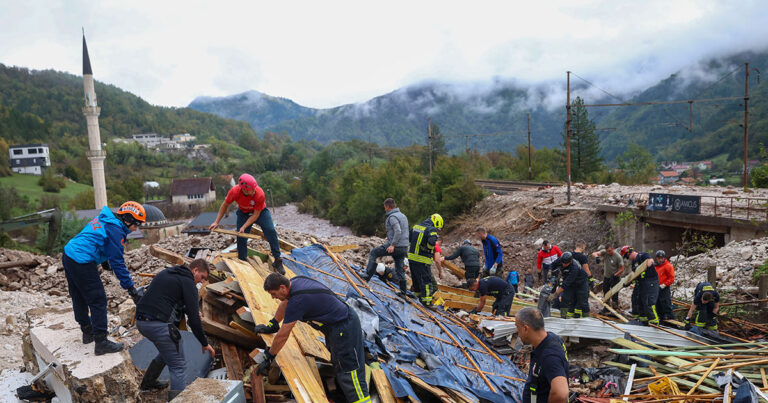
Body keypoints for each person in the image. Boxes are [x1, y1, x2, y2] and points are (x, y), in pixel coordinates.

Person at [253, 274, 370, 403]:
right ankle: (343, 397)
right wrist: (273, 324)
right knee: (338, 362)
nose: (273, 297)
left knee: (350, 371)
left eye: (274, 293)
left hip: (344, 327)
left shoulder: (298, 300)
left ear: (282, 287)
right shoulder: (294, 282)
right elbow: (284, 304)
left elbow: (283, 334)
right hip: (335, 326)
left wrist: (269, 356)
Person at [62, 201, 146, 355]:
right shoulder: (116, 230)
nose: (137, 228)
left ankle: (87, 331)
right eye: (137, 224)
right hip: (82, 260)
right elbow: (118, 262)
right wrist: (132, 289)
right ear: (127, 219)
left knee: (78, 295)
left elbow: (98, 240)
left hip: (69, 254)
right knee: (98, 299)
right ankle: (101, 342)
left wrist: (105, 261)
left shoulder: (107, 220)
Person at [135, 259, 215, 400]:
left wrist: (189, 310)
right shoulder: (188, 282)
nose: (202, 282)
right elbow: (194, 321)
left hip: (141, 322)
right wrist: (204, 343)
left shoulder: (168, 273)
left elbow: (168, 300)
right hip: (158, 325)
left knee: (169, 350)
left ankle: (148, 383)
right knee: (178, 366)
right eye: (202, 277)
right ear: (195, 270)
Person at [209, 173, 284, 273]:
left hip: (260, 212)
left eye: (254, 189)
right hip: (243, 213)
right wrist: (216, 221)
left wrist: (244, 226)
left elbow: (255, 215)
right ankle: (242, 262)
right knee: (241, 236)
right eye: (250, 190)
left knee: (270, 230)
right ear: (243, 189)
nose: (253, 192)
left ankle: (278, 260)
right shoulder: (234, 191)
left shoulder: (259, 193)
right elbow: (224, 206)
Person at [516, 307, 569, 403]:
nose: (517, 332)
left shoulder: (550, 356)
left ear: (525, 328)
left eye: (517, 327)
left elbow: (561, 394)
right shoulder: (551, 338)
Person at [363, 198, 408, 293]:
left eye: (385, 207)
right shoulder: (403, 216)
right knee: (400, 269)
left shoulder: (392, 217)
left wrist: (392, 245)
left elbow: (398, 230)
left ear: (387, 207)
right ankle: (403, 292)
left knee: (374, 253)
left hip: (396, 246)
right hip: (404, 247)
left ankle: (367, 275)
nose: (385, 209)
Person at [408, 214, 443, 306]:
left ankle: (417, 297)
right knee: (426, 281)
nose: (437, 229)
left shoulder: (416, 227)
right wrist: (428, 248)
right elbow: (431, 243)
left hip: (412, 258)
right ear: (437, 223)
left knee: (416, 279)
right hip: (423, 260)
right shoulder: (431, 230)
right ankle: (427, 302)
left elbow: (409, 240)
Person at [622, 246, 659, 325]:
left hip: (651, 281)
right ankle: (643, 319)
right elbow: (636, 277)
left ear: (630, 253)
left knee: (649, 301)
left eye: (627, 257)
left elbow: (650, 261)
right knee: (640, 301)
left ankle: (654, 320)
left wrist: (639, 268)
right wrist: (628, 282)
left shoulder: (643, 255)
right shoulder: (633, 263)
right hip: (643, 283)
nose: (628, 259)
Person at [546, 252, 590, 318]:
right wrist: (550, 270)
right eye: (563, 262)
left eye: (566, 263)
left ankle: (586, 319)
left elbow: (565, 284)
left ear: (571, 261)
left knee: (583, 302)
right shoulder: (561, 260)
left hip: (581, 283)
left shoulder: (574, 268)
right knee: (565, 299)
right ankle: (564, 317)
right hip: (571, 283)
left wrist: (554, 295)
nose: (563, 264)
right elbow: (552, 264)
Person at [591, 244, 625, 310]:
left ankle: (615, 307)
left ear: (612, 249)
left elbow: (622, 269)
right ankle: (606, 307)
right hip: (606, 277)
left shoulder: (618, 257)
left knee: (614, 293)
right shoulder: (605, 253)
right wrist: (597, 257)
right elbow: (594, 253)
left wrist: (615, 275)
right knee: (606, 292)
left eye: (609, 251)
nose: (608, 253)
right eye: (607, 251)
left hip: (615, 277)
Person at [654, 250, 675, 321]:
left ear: (664, 258)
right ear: (656, 258)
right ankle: (661, 318)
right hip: (657, 288)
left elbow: (672, 278)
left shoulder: (668, 266)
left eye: (661, 258)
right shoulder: (656, 266)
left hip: (664, 288)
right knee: (658, 304)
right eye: (659, 258)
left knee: (666, 303)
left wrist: (664, 285)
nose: (660, 260)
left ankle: (670, 318)